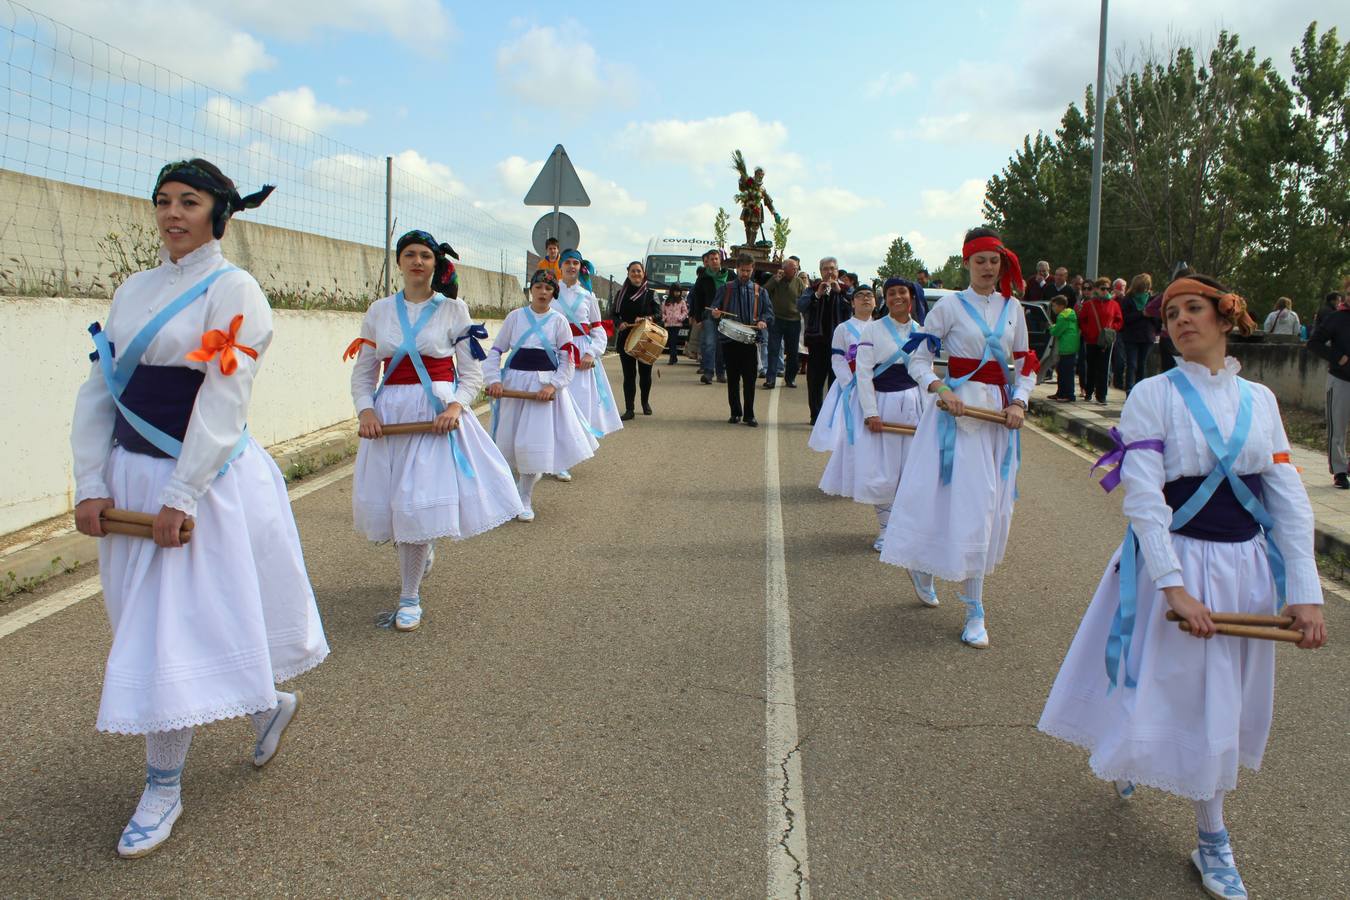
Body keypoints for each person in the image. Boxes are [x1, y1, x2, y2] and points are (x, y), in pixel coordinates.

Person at [1038, 274, 1326, 900]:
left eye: (1194, 308)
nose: (1180, 321)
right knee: (1168, 686)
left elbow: (1288, 498)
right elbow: (1144, 495)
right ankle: (1212, 837)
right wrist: (1173, 586)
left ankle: (1183, 805)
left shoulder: (1261, 400)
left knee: (1217, 699)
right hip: (1175, 561)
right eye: (1171, 314)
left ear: (1226, 317)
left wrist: (1305, 592)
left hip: (1244, 569)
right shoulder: (1153, 393)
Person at [72, 159, 329, 858]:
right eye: (163, 201)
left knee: (164, 635)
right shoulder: (132, 289)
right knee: (149, 622)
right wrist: (90, 483)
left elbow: (223, 400)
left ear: (220, 212)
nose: (172, 213)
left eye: (189, 201)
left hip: (200, 481)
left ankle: (163, 788)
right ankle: (266, 703)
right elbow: (100, 391)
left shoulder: (235, 288)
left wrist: (180, 495)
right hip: (129, 478)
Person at [349, 229, 522, 632]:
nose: (417, 261)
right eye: (409, 254)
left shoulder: (454, 310)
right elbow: (364, 373)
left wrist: (457, 406)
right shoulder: (379, 311)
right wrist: (365, 411)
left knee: (413, 503)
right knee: (397, 504)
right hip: (391, 419)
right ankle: (420, 550)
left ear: (435, 263)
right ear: (399, 261)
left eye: (425, 255)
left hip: (434, 417)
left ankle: (409, 597)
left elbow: (471, 373)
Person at [880, 226, 1035, 649]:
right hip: (955, 416)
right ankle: (971, 608)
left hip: (997, 419)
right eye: (980, 260)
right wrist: (941, 389)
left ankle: (939, 576)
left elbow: (1026, 365)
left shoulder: (1013, 308)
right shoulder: (948, 306)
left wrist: (1019, 401)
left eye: (994, 261)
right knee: (965, 504)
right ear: (967, 262)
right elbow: (918, 360)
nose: (988, 268)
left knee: (987, 506)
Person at [485, 269, 598, 521]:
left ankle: (524, 497)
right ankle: (510, 493)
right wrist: (494, 380)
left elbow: (567, 359)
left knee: (532, 444)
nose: (543, 292)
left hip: (542, 390)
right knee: (508, 441)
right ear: (531, 290)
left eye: (548, 288)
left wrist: (553, 385)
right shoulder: (515, 317)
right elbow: (496, 351)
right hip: (514, 386)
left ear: (553, 293)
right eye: (538, 287)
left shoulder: (559, 321)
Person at [854, 279, 933, 551]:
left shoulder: (922, 332)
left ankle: (906, 528)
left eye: (902, 292)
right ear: (885, 299)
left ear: (912, 296)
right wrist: (871, 412)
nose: (897, 297)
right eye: (891, 293)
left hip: (915, 405)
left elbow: (926, 374)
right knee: (884, 472)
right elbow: (863, 373)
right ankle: (886, 529)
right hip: (883, 405)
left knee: (912, 470)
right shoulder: (872, 330)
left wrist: (930, 412)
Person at [556, 249, 621, 468]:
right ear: (560, 266)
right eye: (567, 262)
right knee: (557, 406)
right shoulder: (551, 291)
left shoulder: (588, 296)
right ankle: (556, 455)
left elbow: (598, 328)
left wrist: (591, 353)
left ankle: (568, 457)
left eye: (575, 263)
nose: (571, 266)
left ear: (580, 267)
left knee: (579, 406)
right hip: (556, 353)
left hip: (581, 357)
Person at [808, 283, 877, 459]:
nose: (865, 298)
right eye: (860, 296)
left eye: (869, 295)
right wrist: (850, 383)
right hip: (851, 386)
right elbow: (837, 359)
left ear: (875, 302)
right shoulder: (843, 328)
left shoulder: (881, 328)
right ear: (852, 303)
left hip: (877, 386)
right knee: (849, 431)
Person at [711, 253, 772, 426]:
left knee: (750, 379)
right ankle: (735, 412)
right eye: (742, 270)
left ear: (753, 270)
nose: (745, 274)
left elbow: (768, 312)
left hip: (750, 341)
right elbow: (715, 308)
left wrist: (763, 321)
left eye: (748, 270)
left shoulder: (760, 291)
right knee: (733, 378)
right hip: (730, 340)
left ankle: (749, 414)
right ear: (737, 269)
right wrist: (715, 313)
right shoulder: (726, 288)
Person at [799, 256, 852, 425]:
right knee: (815, 381)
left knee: (836, 382)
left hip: (840, 346)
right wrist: (817, 294)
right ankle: (815, 415)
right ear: (821, 271)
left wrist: (840, 292)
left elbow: (853, 309)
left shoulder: (847, 290)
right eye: (826, 269)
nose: (829, 272)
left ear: (837, 271)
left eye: (832, 269)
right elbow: (800, 306)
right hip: (818, 343)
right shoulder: (813, 289)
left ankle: (833, 416)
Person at [1306, 295, 1350, 489]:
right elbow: (1313, 342)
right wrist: (1337, 357)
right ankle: (1340, 472)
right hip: (1341, 380)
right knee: (1337, 428)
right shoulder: (1336, 318)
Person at [612, 261, 660, 419]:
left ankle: (645, 403)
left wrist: (647, 318)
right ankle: (629, 409)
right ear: (628, 273)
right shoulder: (621, 294)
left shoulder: (651, 293)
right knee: (629, 376)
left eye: (639, 271)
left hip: (646, 339)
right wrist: (619, 323)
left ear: (643, 273)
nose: (636, 274)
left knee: (645, 375)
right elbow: (614, 315)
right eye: (633, 271)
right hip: (626, 339)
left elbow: (659, 315)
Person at [1079, 277, 1123, 404]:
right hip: (1092, 340)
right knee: (1091, 366)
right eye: (1103, 288)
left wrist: (1112, 329)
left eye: (1108, 289)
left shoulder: (1114, 305)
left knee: (1104, 368)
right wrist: (1088, 332)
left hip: (1106, 341)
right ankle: (1088, 391)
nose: (1105, 291)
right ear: (1096, 289)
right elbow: (1082, 320)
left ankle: (1101, 395)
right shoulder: (1089, 304)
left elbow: (1119, 320)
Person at [765, 255, 807, 389]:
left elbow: (804, 298)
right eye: (793, 268)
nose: (796, 270)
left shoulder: (799, 282)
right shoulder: (776, 279)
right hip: (776, 320)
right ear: (785, 269)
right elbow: (764, 292)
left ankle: (790, 378)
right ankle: (770, 379)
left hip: (793, 321)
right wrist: (775, 281)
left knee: (793, 352)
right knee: (773, 350)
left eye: (796, 268)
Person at [690, 248, 730, 384]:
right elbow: (697, 298)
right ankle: (708, 373)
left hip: (725, 316)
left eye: (716, 259)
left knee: (722, 345)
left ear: (720, 260)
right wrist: (698, 317)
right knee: (709, 344)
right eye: (711, 259)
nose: (714, 261)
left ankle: (721, 373)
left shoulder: (730, 275)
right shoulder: (703, 277)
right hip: (708, 315)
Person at [1119, 273, 1156, 393]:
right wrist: (1141, 314)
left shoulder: (1152, 299)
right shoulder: (1128, 299)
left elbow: (1157, 318)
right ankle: (1129, 390)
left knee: (1142, 364)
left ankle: (1140, 391)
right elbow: (1125, 318)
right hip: (1131, 337)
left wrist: (1152, 316)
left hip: (1147, 337)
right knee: (1132, 364)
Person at [1048, 294, 1081, 402]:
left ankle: (1069, 395)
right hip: (1071, 346)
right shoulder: (1070, 314)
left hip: (1066, 347)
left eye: (1054, 306)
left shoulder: (1062, 317)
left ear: (1061, 306)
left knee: (1065, 373)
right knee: (1063, 371)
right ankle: (1061, 393)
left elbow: (1056, 332)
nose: (1053, 308)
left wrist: (1051, 328)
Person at [661, 284, 689, 365]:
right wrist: (665, 318)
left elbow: (685, 311)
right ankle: (674, 356)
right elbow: (662, 312)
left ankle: (672, 357)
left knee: (673, 340)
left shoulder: (682, 301)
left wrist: (680, 318)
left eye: (679, 292)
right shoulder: (666, 302)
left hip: (677, 324)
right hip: (668, 324)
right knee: (670, 341)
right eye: (676, 291)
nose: (677, 293)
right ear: (672, 291)